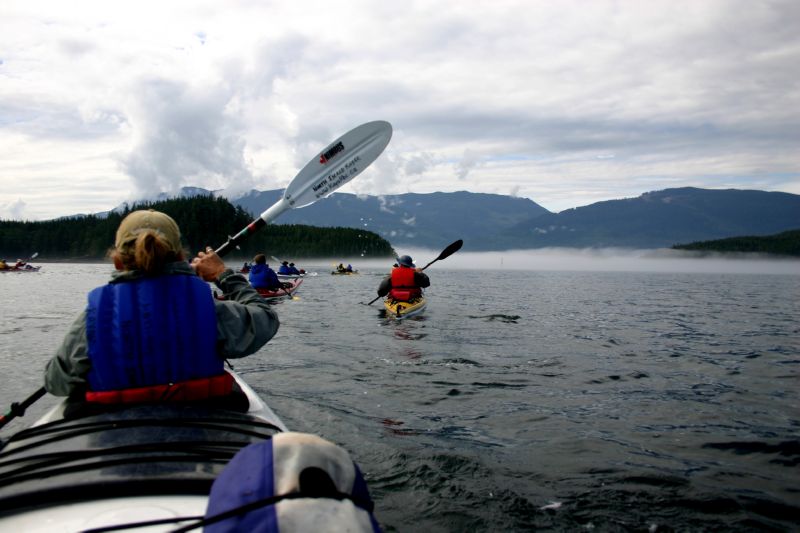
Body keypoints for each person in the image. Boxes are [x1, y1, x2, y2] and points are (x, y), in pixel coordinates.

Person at [43, 209, 279, 409]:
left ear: (117, 262)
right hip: (201, 435)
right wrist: (224, 275)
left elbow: (57, 381)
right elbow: (266, 319)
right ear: (180, 256)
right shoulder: (208, 310)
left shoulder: (93, 317)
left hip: (117, 437)